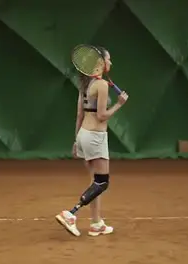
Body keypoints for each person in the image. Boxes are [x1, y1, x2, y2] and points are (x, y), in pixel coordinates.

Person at [55, 46, 129, 237]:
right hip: (96, 137)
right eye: (108, 60)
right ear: (100, 63)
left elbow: (79, 114)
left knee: (95, 182)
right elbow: (102, 115)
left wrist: (75, 140)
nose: (111, 63)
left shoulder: (85, 85)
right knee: (102, 183)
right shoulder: (102, 85)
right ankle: (70, 214)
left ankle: (96, 223)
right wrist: (119, 105)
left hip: (83, 135)